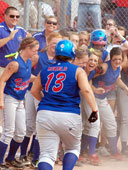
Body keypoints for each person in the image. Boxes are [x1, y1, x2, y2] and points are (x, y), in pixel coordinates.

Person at [31, 40, 98, 170]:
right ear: (72, 54)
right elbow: (86, 90)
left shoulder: (45, 70)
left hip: (45, 114)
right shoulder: (77, 70)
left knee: (47, 155)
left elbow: (34, 91)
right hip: (69, 114)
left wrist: (46, 101)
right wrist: (94, 109)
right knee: (72, 148)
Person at [19, 32, 62, 168]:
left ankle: (36, 158)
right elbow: (26, 71)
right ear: (48, 43)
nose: (56, 46)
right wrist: (37, 79)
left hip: (47, 94)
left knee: (40, 126)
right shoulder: (39, 57)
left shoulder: (60, 59)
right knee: (29, 125)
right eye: (54, 42)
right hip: (32, 91)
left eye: (58, 43)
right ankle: (22, 155)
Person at [0, 37, 39, 170]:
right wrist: (1, 100)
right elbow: (2, 80)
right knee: (8, 131)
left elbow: (27, 78)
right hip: (9, 98)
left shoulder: (28, 62)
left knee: (20, 133)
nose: (36, 53)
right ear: (27, 48)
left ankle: (10, 159)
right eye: (34, 50)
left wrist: (41, 79)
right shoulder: (15, 64)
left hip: (19, 100)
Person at [92, 47, 128, 160]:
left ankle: (114, 152)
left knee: (111, 123)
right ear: (110, 59)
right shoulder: (104, 67)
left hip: (102, 98)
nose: (117, 61)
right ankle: (88, 152)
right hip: (92, 97)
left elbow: (117, 79)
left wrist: (125, 87)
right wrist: (93, 89)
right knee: (93, 124)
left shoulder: (119, 68)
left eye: (119, 59)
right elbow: (88, 76)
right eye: (115, 59)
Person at [0, 6, 28, 72]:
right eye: (12, 16)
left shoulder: (21, 30)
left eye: (17, 16)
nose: (15, 18)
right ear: (5, 16)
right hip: (2, 68)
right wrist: (9, 38)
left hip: (17, 67)